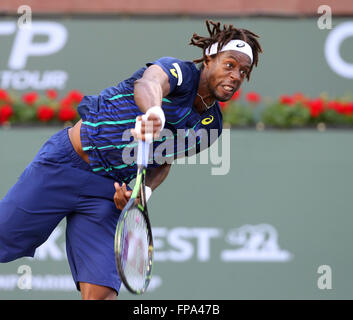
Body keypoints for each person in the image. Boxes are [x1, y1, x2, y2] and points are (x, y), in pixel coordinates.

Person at [0, 20, 262, 299]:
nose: (236, 76)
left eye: (243, 72)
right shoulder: (179, 73)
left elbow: (165, 160)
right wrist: (154, 113)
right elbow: (149, 83)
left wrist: (142, 192)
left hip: (107, 195)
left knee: (101, 294)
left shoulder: (211, 128)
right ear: (209, 58)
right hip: (66, 165)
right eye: (230, 64)